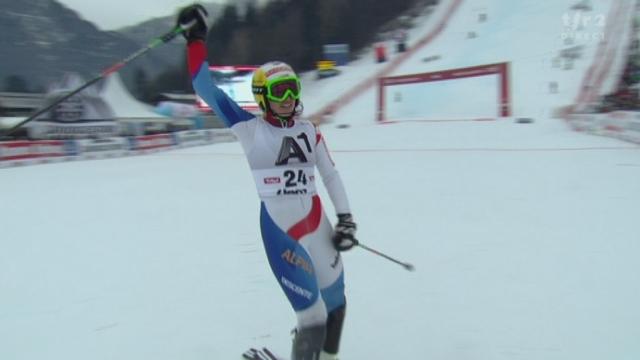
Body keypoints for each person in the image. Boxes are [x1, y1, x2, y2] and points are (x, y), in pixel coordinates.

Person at [176, 5, 358, 360]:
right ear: (263, 97)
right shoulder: (249, 128)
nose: (289, 99)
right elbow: (203, 85)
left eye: (292, 89)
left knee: (336, 305)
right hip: (281, 231)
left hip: (317, 224)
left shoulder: (310, 131)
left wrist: (347, 219)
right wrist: (196, 39)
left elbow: (331, 176)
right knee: (312, 316)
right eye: (279, 92)